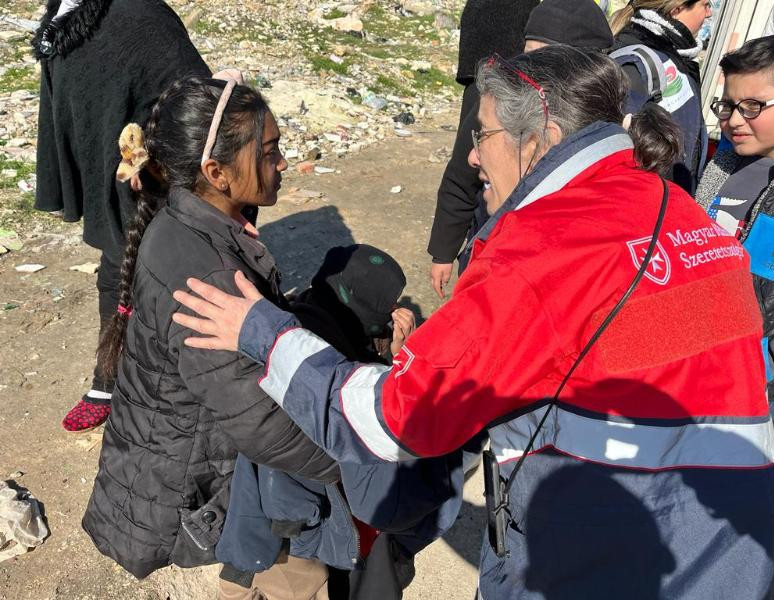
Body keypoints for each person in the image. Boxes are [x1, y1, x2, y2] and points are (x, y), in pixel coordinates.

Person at [173, 46, 774, 599]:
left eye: (481, 134)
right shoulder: (678, 210)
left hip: (602, 566)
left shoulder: (542, 252)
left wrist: (264, 333)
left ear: (539, 138)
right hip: (732, 556)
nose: (471, 155)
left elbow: (390, 420)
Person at [81, 74, 339, 583]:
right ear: (216, 172)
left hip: (176, 461)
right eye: (270, 152)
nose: (283, 163)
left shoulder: (186, 222)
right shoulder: (207, 275)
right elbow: (263, 425)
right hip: (191, 482)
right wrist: (352, 458)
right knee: (295, 577)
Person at [218, 245, 463, 600]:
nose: (396, 312)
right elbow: (383, 497)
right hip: (307, 543)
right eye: (389, 305)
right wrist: (405, 368)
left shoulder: (290, 334)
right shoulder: (341, 381)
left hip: (266, 527)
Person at [31, 0, 210, 432]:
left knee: (173, 274)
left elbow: (195, 94)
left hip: (155, 177)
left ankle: (178, 385)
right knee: (116, 267)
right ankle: (109, 378)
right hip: (106, 167)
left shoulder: (142, 15)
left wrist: (152, 154)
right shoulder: (63, 14)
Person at [428, 0, 615, 298]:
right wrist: (443, 252)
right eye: (527, 56)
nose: (527, 72)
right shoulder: (497, 99)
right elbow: (461, 176)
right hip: (490, 251)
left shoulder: (607, 124)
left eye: (542, 61)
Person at [696, 32, 774, 422]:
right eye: (727, 105)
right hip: (686, 361)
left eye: (753, 106)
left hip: (750, 387)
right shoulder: (723, 164)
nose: (734, 120)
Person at [610, 0, 712, 194]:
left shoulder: (674, 55)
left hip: (666, 199)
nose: (709, 14)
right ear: (676, 9)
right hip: (645, 199)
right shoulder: (638, 62)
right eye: (705, 5)